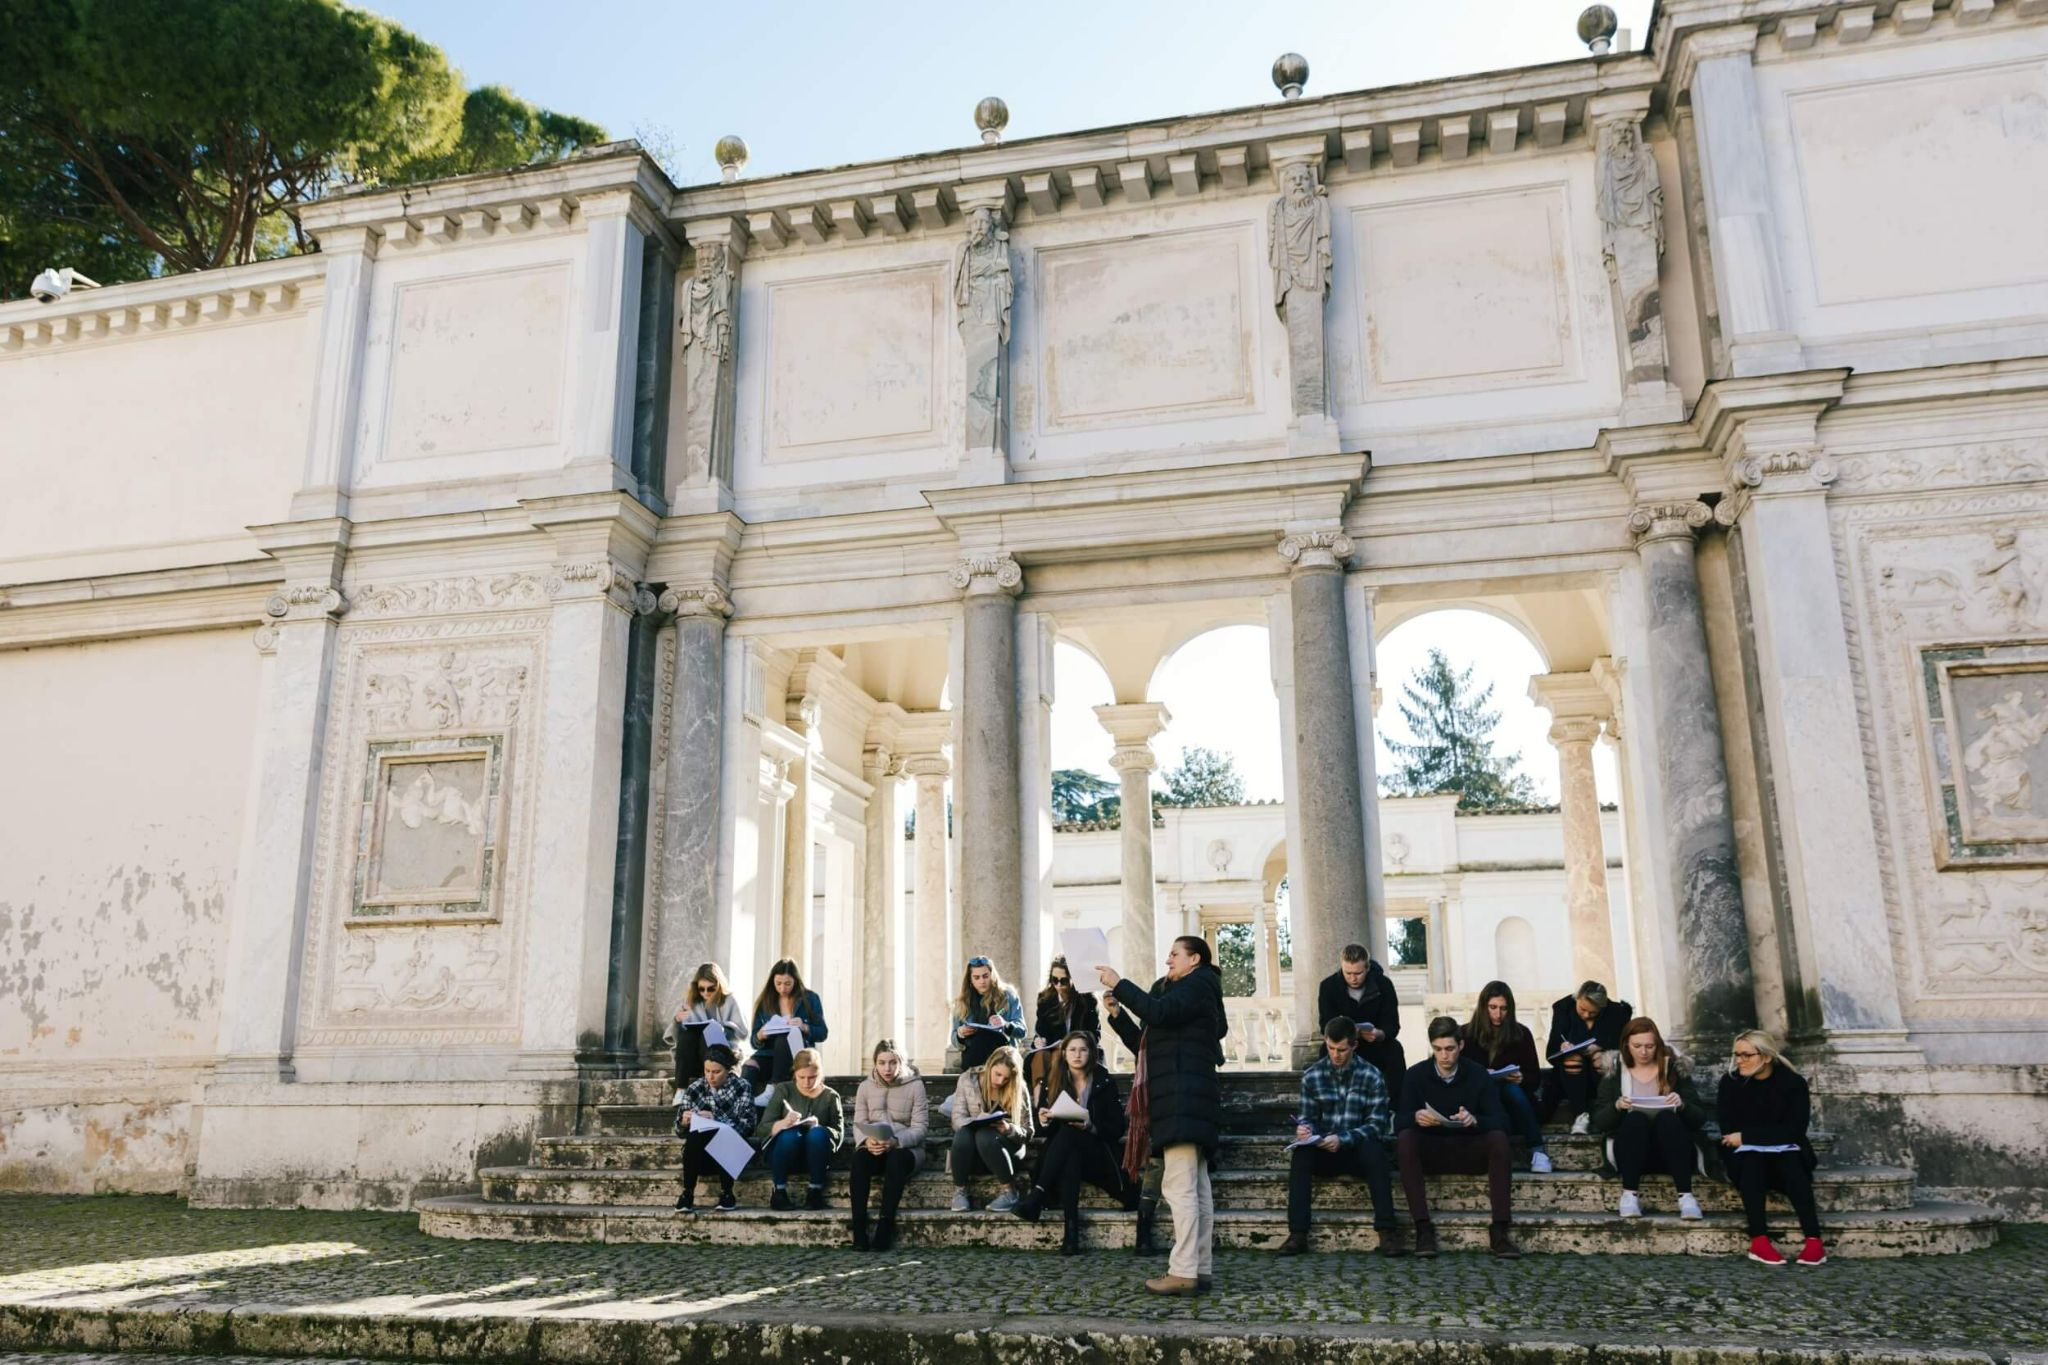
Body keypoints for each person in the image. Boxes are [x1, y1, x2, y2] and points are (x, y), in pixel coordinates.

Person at [1099, 934, 1228, 1296]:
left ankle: (1184, 1270)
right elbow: (1148, 1040)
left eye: (1175, 954)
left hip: (1184, 1101)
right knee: (1196, 1189)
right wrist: (1117, 1015)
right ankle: (1198, 1269)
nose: (1168, 960)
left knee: (1180, 1187)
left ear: (1195, 960)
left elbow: (1159, 1013)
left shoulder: (1199, 985)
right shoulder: (1186, 995)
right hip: (1181, 1100)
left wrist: (1119, 983)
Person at [1279, 1015, 1405, 1257]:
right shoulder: (1313, 1076)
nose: (1336, 1054)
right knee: (1301, 1155)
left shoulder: (1372, 1075)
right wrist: (1305, 1131)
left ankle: (1387, 1232)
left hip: (1358, 1150)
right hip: (1325, 1149)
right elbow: (1308, 1117)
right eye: (1331, 1048)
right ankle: (1297, 1234)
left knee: (1376, 1152)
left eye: (1342, 1049)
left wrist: (1344, 1139)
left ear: (1354, 1045)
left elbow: (1377, 1124)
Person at [1395, 1016, 1520, 1258]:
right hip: (1432, 1148)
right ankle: (1423, 1229)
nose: (1444, 1056)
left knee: (1498, 1139)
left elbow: (1503, 1121)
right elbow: (1398, 1121)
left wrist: (1475, 1120)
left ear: (1461, 1046)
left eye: (1450, 1049)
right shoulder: (1416, 1075)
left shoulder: (1477, 1074)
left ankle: (1500, 1230)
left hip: (1468, 1147)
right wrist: (1416, 1116)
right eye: (1438, 1049)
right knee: (1406, 1138)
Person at [1015, 1031, 1135, 1254]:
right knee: (1070, 1150)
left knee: (1071, 1134)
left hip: (1098, 1152)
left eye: (1083, 1049)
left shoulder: (1103, 1080)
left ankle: (1037, 1195)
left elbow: (1116, 1128)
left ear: (1091, 1053)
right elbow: (1044, 1130)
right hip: (1066, 1153)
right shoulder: (1053, 1079)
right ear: (1064, 1053)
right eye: (1072, 1049)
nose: (1077, 1055)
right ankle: (1071, 1235)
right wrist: (1043, 1120)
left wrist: (1091, 1125)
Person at [1717, 1029, 1826, 1267]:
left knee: (1792, 1162)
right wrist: (1753, 1139)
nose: (1740, 1060)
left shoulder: (1792, 1083)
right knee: (1752, 1161)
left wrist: (1747, 1136)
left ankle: (1814, 1241)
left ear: (1766, 1057)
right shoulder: (1731, 1082)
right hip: (1746, 1157)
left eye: (1747, 1055)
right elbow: (1728, 1129)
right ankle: (1759, 1240)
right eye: (1737, 1055)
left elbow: (1794, 1130)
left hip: (1784, 1152)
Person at [1590, 1017, 1709, 1219]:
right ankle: (1629, 1195)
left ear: (1658, 1045)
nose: (1643, 1052)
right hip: (1631, 1153)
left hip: (1672, 1151)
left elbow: (1699, 1119)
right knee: (1635, 1119)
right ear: (1626, 1044)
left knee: (1667, 1119)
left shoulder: (1673, 1068)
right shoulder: (1616, 1071)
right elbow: (1600, 1121)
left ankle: (1686, 1197)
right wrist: (1617, 1106)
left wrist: (1681, 1105)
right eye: (1637, 1046)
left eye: (1650, 1046)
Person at [1461, 981, 1552, 1173]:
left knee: (1511, 1089)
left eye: (1503, 1008)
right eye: (1493, 1007)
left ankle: (1538, 1151)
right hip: (1480, 1102)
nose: (1498, 1014)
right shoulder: (1466, 1034)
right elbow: (1460, 1073)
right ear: (1483, 1007)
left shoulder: (1521, 1034)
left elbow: (1534, 1077)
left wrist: (1521, 1078)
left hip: (1514, 1102)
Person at [849, 1038, 928, 1251]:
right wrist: (867, 1141)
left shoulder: (915, 1086)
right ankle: (859, 1230)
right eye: (882, 1063)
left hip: (907, 1151)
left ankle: (885, 1227)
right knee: (859, 1158)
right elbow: (859, 1123)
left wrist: (896, 1141)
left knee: (896, 1158)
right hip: (875, 1148)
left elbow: (921, 1128)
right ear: (875, 1063)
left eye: (893, 1062)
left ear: (901, 1063)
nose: (887, 1068)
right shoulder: (865, 1087)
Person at [1103, 987, 1165, 1257]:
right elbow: (1138, 1043)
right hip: (1158, 1111)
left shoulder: (1183, 1030)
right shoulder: (1151, 1035)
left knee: (1163, 1159)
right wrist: (1117, 1013)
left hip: (1179, 1113)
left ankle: (1144, 1222)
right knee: (1156, 1159)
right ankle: (1143, 1224)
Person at [753, 1046, 846, 1211]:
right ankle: (779, 1192)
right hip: (784, 1153)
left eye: (812, 1077)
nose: (806, 1082)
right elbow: (761, 1128)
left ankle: (815, 1191)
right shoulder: (784, 1089)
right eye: (801, 1077)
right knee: (789, 1135)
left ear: (821, 1074)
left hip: (816, 1156)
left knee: (817, 1134)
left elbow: (839, 1134)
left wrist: (820, 1128)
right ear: (794, 1073)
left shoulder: (830, 1096)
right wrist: (783, 1123)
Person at [948, 1043, 1034, 1211]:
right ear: (989, 1066)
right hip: (974, 1150)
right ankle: (960, 1192)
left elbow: (1028, 1131)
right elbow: (957, 1118)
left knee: (985, 1136)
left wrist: (1009, 1129)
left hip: (1005, 1149)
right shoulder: (967, 1079)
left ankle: (1010, 1192)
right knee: (964, 1135)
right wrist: (975, 1122)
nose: (1000, 1081)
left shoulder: (1019, 1088)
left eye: (1006, 1078)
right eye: (997, 1074)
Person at [1315, 943, 1406, 1098]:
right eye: (1348, 973)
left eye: (1358, 973)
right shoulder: (1328, 986)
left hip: (1376, 1043)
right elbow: (1326, 1025)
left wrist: (1380, 1034)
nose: (1353, 978)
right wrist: (1347, 1032)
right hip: (1345, 1044)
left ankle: (1397, 1107)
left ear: (1367, 968)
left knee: (1395, 1050)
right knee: (1325, 1051)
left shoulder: (1383, 985)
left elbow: (1392, 1024)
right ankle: (1326, 1103)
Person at [671, 1044, 754, 1213]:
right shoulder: (695, 1087)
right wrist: (684, 1122)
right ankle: (687, 1193)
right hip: (700, 1156)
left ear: (728, 1070)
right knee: (695, 1135)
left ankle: (727, 1193)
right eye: (707, 1071)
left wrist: (717, 1120)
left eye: (716, 1072)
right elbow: (679, 1131)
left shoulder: (742, 1086)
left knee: (720, 1133)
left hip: (731, 1155)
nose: (711, 1076)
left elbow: (748, 1125)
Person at [1543, 980, 1633, 1131]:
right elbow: (1551, 1052)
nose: (1586, 1015)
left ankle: (1604, 1111)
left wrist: (1601, 1047)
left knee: (1603, 1059)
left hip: (1599, 1074)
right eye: (1582, 1009)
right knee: (1572, 1061)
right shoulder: (1563, 1009)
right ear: (1576, 999)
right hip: (1571, 1077)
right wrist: (1563, 1046)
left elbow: (1624, 1047)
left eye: (1593, 1013)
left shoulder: (1616, 1012)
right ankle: (1581, 1115)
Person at [744, 959, 829, 1092]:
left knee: (784, 1038)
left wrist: (804, 1027)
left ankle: (774, 1087)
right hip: (769, 1054)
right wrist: (760, 1035)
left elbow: (823, 1033)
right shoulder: (765, 1001)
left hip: (797, 1055)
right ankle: (743, 1102)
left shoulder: (810, 998)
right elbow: (753, 1042)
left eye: (787, 984)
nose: (782, 988)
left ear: (795, 981)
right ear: (772, 981)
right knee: (750, 1065)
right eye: (778, 983)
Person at [664, 962, 749, 1090]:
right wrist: (677, 1020)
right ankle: (680, 1089)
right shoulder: (693, 1001)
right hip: (696, 1058)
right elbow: (676, 1038)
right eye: (701, 989)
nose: (705, 993)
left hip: (723, 1057)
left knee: (707, 1033)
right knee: (688, 1035)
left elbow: (742, 1032)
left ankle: (708, 1086)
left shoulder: (729, 1000)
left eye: (710, 989)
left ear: (719, 986)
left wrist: (720, 1028)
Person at [1028, 956, 1100, 1086]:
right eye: (1054, 980)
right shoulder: (1045, 999)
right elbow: (1041, 1030)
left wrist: (1072, 1044)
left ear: (1074, 979)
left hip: (1080, 1050)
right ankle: (1040, 1100)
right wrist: (1039, 1040)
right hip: (1054, 1050)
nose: (1059, 985)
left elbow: (1095, 1034)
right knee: (1041, 1056)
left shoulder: (1087, 1000)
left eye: (1064, 980)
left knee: (1059, 1058)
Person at [952, 956, 1028, 1071]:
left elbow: (1022, 1031)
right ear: (970, 980)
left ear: (992, 975)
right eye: (976, 977)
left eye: (985, 976)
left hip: (1002, 1055)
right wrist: (960, 1034)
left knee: (988, 1038)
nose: (982, 981)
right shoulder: (962, 1002)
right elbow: (954, 1040)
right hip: (974, 1056)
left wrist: (1005, 1025)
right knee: (979, 1040)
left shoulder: (1008, 996)